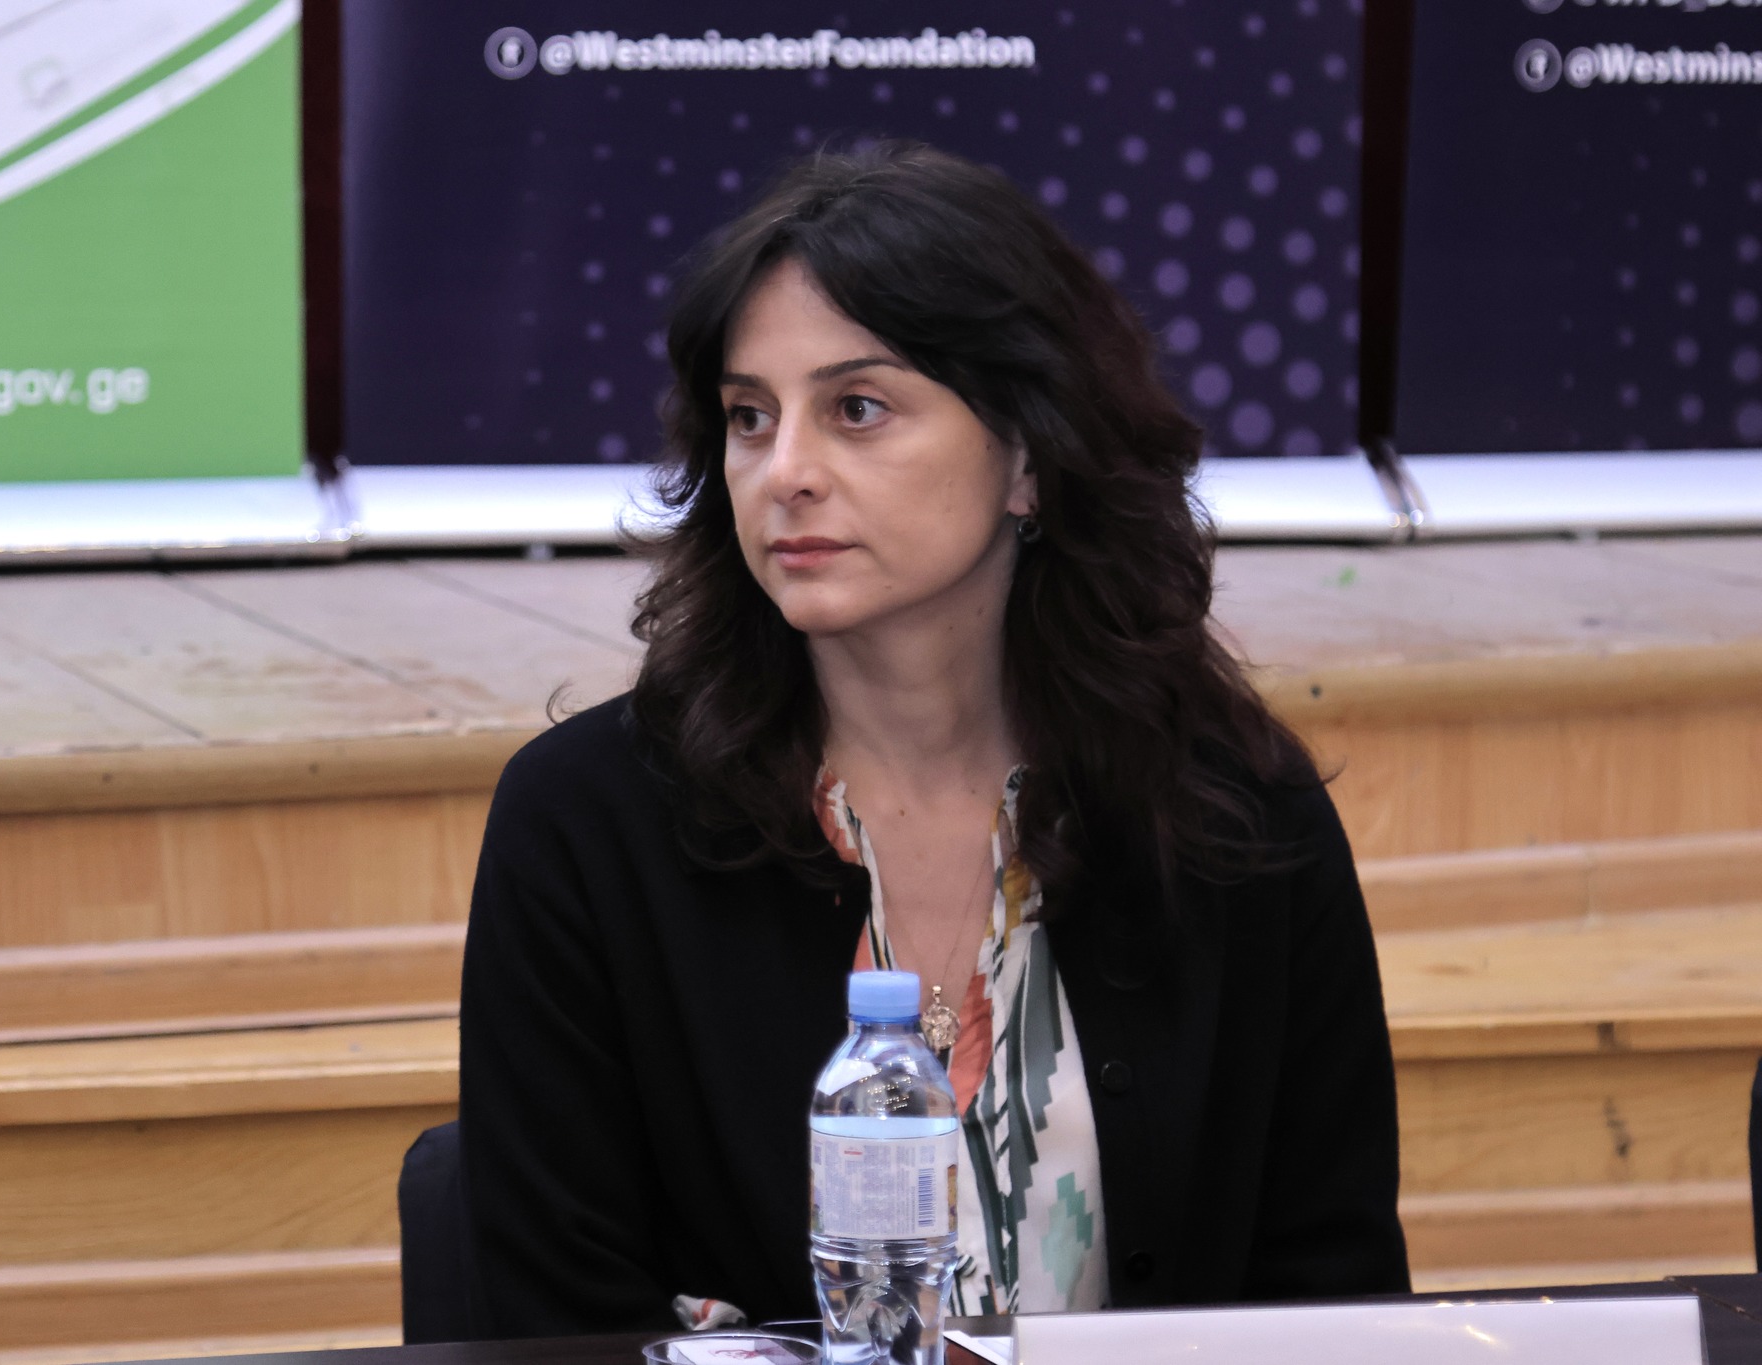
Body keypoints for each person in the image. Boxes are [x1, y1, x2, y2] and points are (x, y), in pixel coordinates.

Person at [458, 141, 1407, 1338]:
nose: (783, 472)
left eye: (856, 409)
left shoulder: (1232, 815)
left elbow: (1333, 1297)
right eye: (748, 417)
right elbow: (553, 1322)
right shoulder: (587, 824)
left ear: (1027, 456)